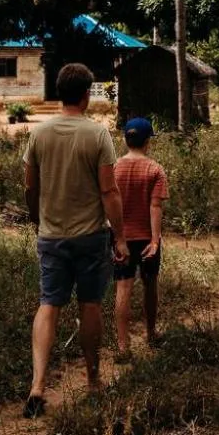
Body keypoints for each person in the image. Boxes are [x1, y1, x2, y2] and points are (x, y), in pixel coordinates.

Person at [23, 62, 127, 416]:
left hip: (51, 235)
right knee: (90, 305)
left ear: (58, 93)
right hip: (90, 236)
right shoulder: (97, 135)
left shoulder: (39, 134)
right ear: (86, 95)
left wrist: (38, 220)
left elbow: (30, 187)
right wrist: (121, 237)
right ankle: (93, 378)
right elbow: (109, 192)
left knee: (48, 304)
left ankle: (37, 386)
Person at [111, 116, 168, 359]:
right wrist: (155, 241)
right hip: (146, 238)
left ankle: (123, 347)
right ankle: (151, 333)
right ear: (147, 141)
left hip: (120, 237)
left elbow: (107, 202)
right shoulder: (155, 169)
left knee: (123, 289)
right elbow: (155, 207)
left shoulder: (113, 167)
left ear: (126, 139)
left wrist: (115, 236)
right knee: (149, 285)